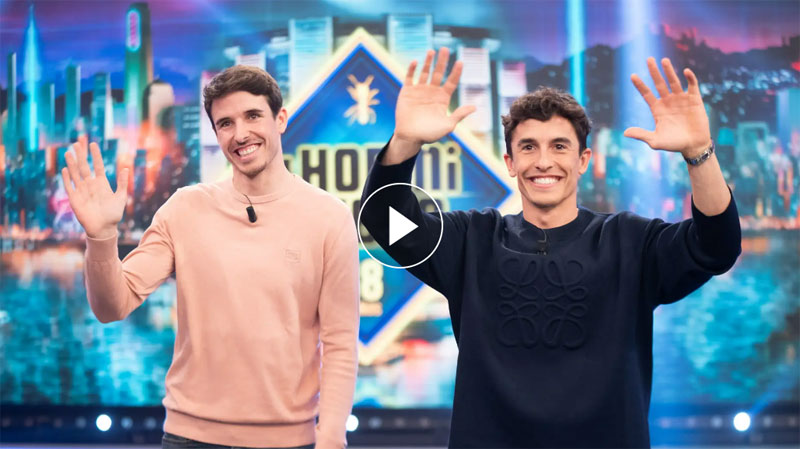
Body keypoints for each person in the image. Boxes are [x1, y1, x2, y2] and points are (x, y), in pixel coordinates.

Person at [360, 48, 741, 447]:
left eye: (559, 146)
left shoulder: (630, 241)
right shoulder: (472, 239)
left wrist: (698, 154)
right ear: (510, 162)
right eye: (528, 147)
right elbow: (385, 221)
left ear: (583, 160)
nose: (544, 161)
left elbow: (717, 246)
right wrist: (405, 142)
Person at [62, 65, 360, 449]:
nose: (241, 134)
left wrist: (331, 439)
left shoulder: (329, 217)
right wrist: (102, 236)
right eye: (225, 123)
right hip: (189, 438)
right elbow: (111, 306)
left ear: (280, 119)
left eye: (253, 116)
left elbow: (340, 343)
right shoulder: (184, 209)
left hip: (289, 440)